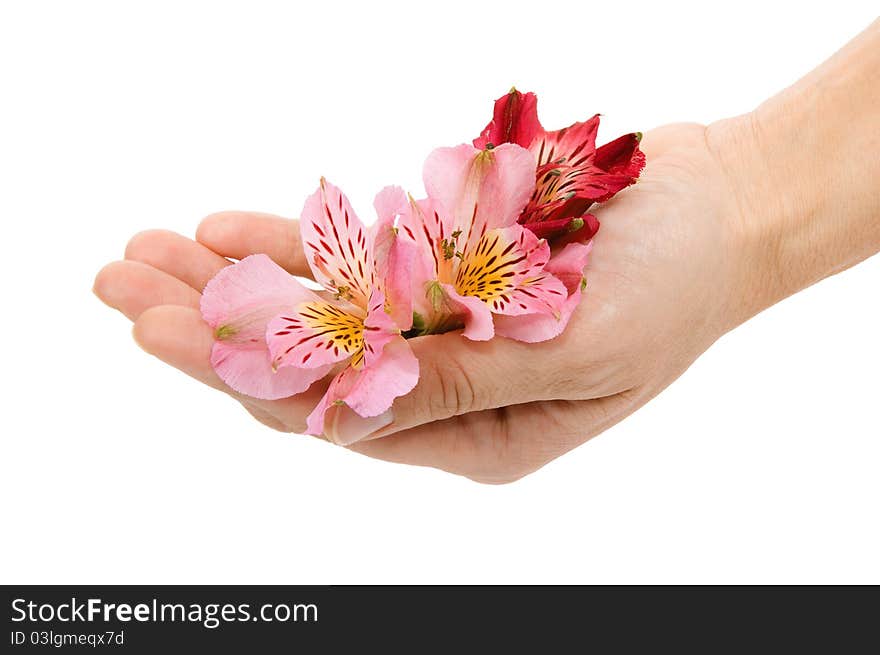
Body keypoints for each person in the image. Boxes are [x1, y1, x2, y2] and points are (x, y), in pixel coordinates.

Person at [94, 21, 880, 483]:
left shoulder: (442, 267)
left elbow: (448, 232)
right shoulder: (379, 288)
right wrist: (742, 188)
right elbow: (403, 245)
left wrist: (742, 200)